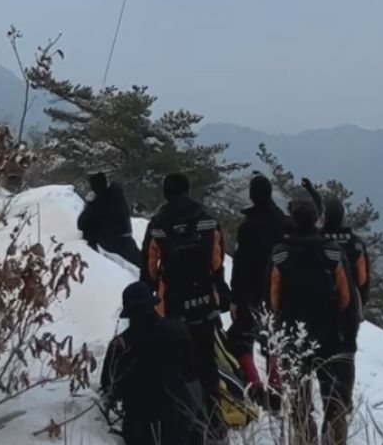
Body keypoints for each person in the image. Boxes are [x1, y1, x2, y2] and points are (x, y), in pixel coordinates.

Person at [143, 172, 232, 444]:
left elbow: (149, 268)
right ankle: (215, 424)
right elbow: (217, 263)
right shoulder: (206, 217)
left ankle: (182, 426)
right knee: (207, 365)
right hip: (204, 302)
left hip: (172, 306)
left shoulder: (158, 223)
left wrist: (151, 299)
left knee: (177, 367)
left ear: (166, 193)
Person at [267, 195, 355, 445]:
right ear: (317, 219)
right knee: (333, 392)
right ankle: (335, 438)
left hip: (293, 334)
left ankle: (306, 437)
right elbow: (346, 296)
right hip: (328, 334)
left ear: (292, 220)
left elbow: (274, 297)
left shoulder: (280, 254)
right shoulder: (333, 252)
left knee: (299, 395)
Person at [102, 281, 205, 445]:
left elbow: (109, 388)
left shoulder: (120, 345)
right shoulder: (178, 331)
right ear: (152, 304)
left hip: (140, 432)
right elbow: (192, 373)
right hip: (179, 425)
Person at [225, 174, 289, 409]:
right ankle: (276, 388)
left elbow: (240, 266)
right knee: (274, 342)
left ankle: (255, 385)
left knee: (239, 340)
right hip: (280, 295)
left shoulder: (248, 228)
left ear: (252, 196)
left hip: (251, 293)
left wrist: (235, 299)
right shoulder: (285, 224)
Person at [318, 196, 370, 426]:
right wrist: (361, 303)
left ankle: (328, 398)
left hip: (324, 309)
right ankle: (344, 400)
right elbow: (362, 278)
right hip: (350, 310)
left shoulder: (317, 241)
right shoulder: (356, 243)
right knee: (348, 354)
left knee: (326, 355)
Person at [78, 172, 145, 269]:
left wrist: (89, 205)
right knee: (142, 263)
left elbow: (81, 223)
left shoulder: (101, 201)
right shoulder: (117, 195)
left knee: (89, 229)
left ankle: (93, 259)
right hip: (126, 236)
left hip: (112, 241)